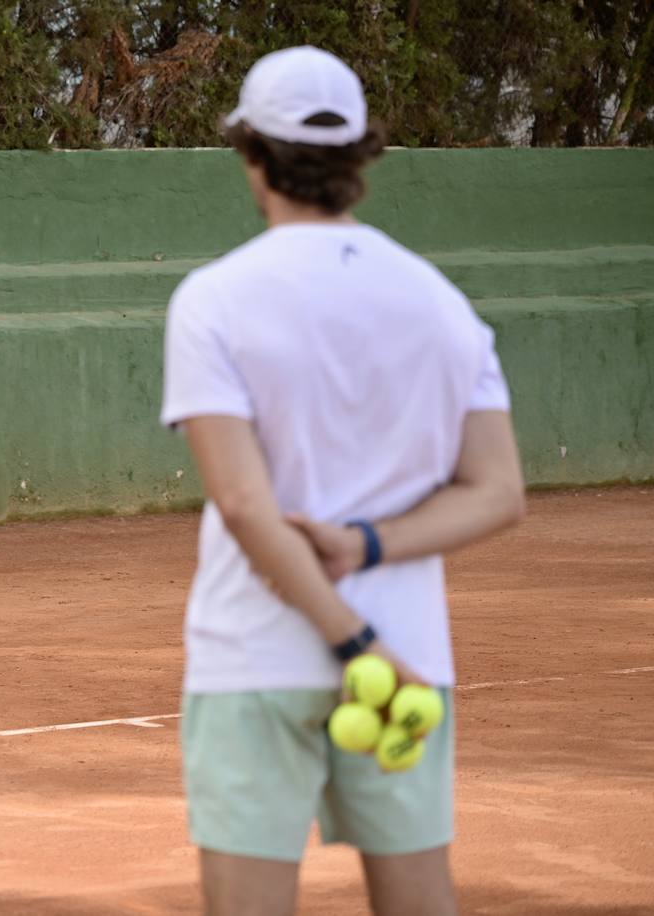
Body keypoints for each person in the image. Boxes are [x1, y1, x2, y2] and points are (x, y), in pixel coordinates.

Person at [160, 47, 526, 915]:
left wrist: (351, 642)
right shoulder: (443, 304)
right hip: (411, 663)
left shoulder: (213, 300)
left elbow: (247, 505)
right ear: (365, 156)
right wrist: (369, 546)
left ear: (249, 153)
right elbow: (499, 490)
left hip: (260, 658)